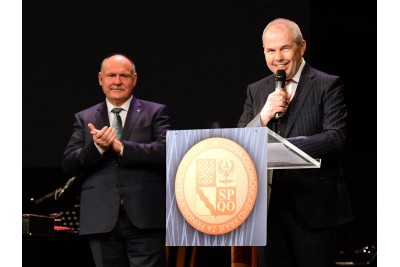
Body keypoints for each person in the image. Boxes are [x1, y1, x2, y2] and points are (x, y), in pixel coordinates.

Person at [237, 18, 354, 267]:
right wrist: (263, 116)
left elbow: (335, 136)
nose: (278, 56)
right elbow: (239, 144)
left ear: (302, 47)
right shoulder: (256, 90)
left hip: (314, 208)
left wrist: (284, 150)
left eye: (285, 48)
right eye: (271, 50)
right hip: (267, 210)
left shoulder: (327, 84)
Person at [62, 53, 171, 267]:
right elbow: (69, 164)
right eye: (111, 75)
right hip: (101, 220)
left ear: (134, 79)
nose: (117, 81)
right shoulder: (84, 118)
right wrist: (97, 147)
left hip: (145, 217)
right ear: (101, 79)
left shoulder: (155, 112)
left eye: (124, 75)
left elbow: (166, 151)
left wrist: (121, 147)